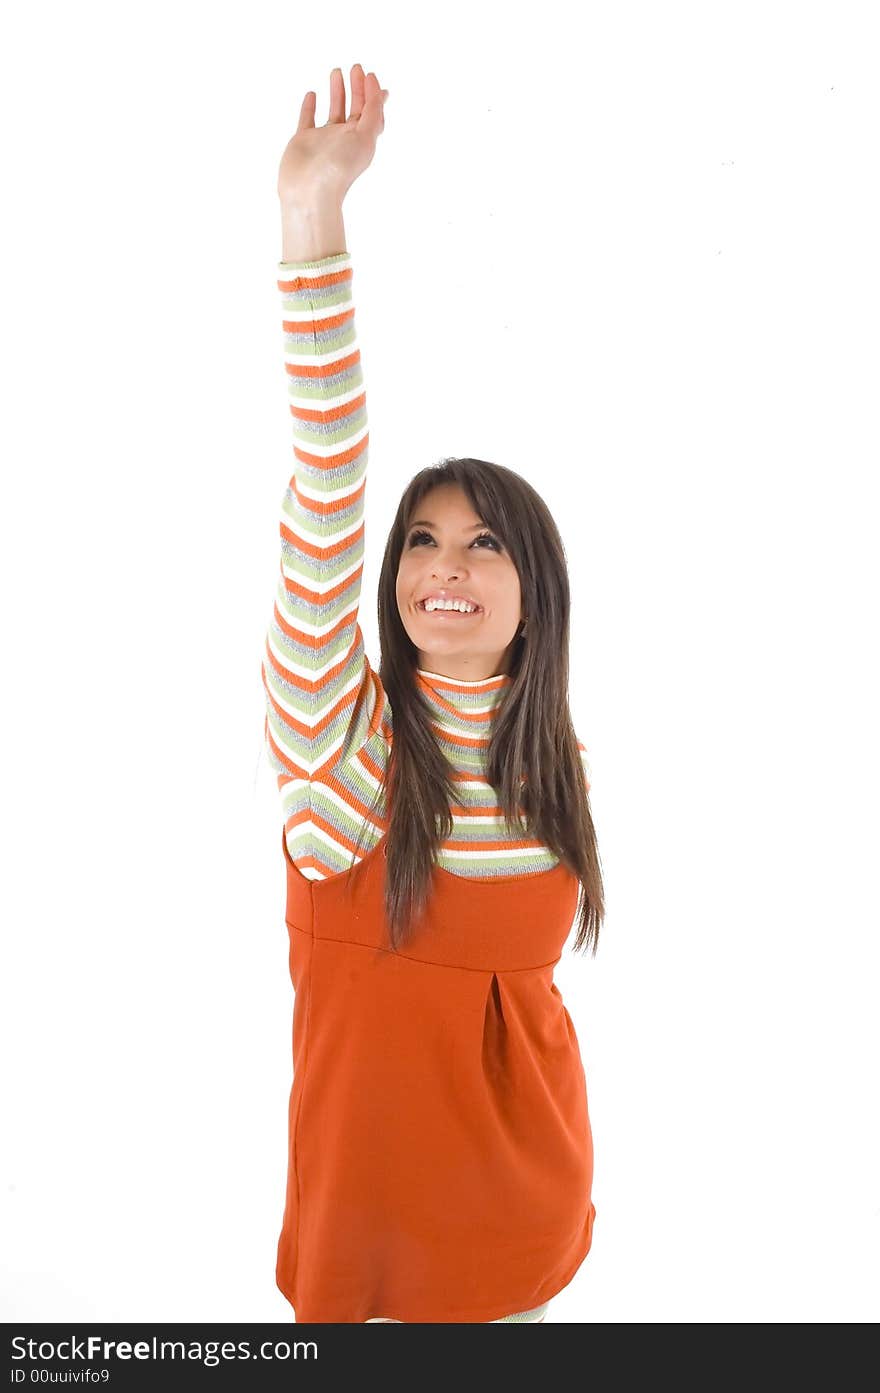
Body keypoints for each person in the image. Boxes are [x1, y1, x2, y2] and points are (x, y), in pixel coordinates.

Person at [261, 63, 606, 1324]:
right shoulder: (337, 742)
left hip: (532, 1239)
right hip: (373, 1270)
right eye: (419, 540)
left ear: (536, 589)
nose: (443, 566)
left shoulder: (550, 754)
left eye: (483, 543)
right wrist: (314, 218)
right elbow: (328, 473)